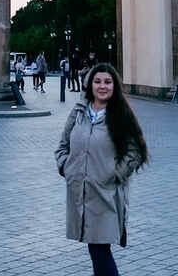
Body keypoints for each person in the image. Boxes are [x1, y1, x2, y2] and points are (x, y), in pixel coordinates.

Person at [55, 63, 148, 276]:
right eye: (97, 81)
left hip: (105, 193)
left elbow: (135, 151)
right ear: (90, 85)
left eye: (107, 82)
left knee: (99, 248)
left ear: (114, 85)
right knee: (95, 247)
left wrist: (115, 174)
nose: (102, 86)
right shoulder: (78, 112)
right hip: (80, 191)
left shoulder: (120, 115)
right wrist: (65, 167)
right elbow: (63, 145)